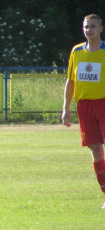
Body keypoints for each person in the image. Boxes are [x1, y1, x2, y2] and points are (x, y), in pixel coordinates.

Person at [62, 14, 105, 209]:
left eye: (93, 26)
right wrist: (66, 107)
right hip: (84, 106)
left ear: (101, 29)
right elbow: (71, 81)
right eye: (86, 26)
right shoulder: (77, 51)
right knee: (95, 149)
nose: (89, 30)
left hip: (103, 103)